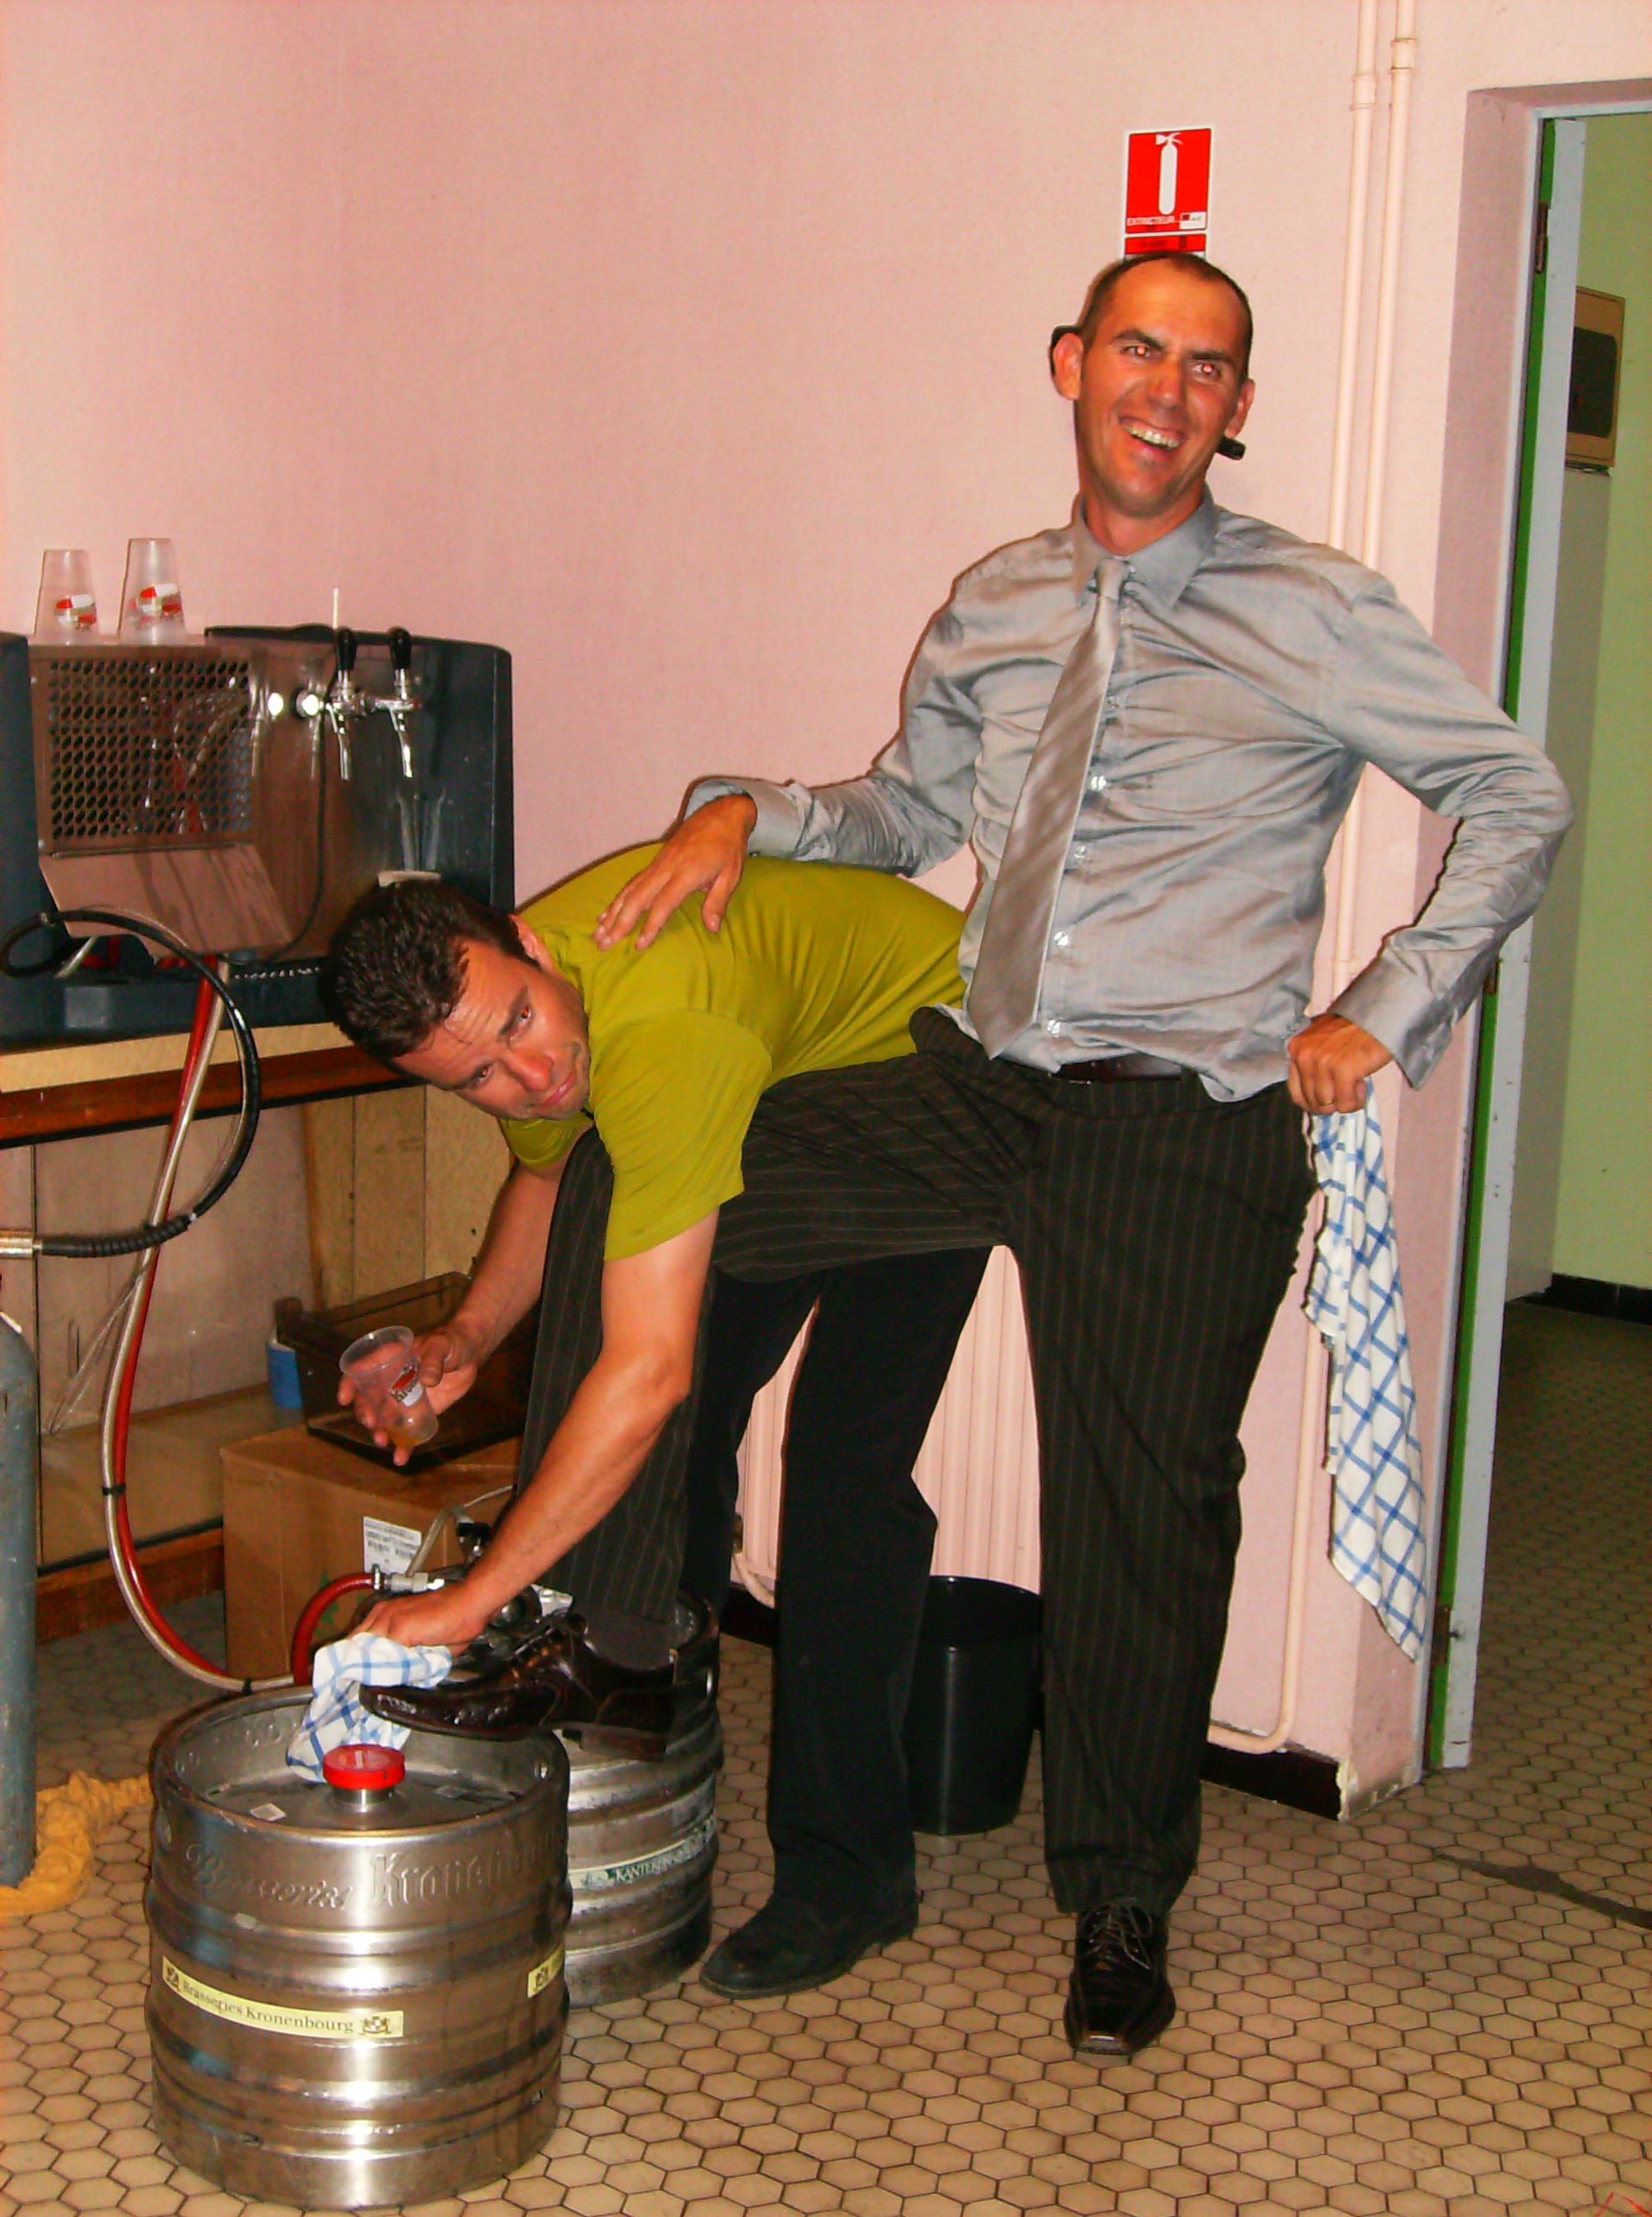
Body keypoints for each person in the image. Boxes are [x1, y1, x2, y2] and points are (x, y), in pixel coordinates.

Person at [584, 251, 1574, 2051]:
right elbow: (908, 810)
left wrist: (1386, 1004)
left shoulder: (1318, 607)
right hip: (981, 1079)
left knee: (1139, 1517)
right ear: (1072, 363)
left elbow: (1518, 794)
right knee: (677, 1202)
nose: (1165, 390)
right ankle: (655, 1651)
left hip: (1181, 1118)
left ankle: (1121, 1896)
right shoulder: (999, 601)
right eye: (1138, 349)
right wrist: (745, 811)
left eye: (1206, 367)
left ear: (1238, 408)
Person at [322, 856, 989, 1984]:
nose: (534, 1075)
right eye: (481, 1076)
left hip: (939, 1089)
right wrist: (467, 1338)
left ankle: (849, 1878)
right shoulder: (540, 1018)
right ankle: (651, 1712)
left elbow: (644, 1372)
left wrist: (473, 1599)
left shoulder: (664, 1027)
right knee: (680, 1425)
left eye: (521, 1024)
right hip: (785, 1096)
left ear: (533, 945)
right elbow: (546, 1178)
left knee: (842, 1469)